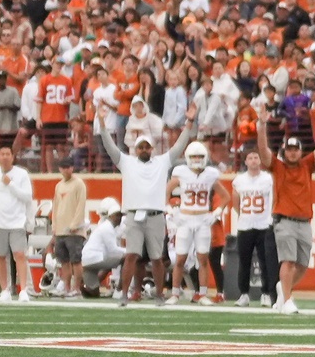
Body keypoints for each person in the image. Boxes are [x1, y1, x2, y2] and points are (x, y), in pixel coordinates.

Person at [98, 102, 198, 303]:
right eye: (141, 147)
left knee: (157, 258)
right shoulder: (126, 162)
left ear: (152, 148)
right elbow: (109, 146)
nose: (144, 149)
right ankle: (124, 294)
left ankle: (160, 294)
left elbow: (179, 146)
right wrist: (101, 123)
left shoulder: (162, 162)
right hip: (134, 215)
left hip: (155, 215)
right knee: (131, 256)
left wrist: (189, 122)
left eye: (147, 146)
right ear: (135, 149)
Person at [256, 105, 315, 312]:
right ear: (285, 152)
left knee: (302, 264)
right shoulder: (278, 166)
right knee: (288, 260)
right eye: (289, 150)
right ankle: (287, 299)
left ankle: (284, 290)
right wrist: (262, 125)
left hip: (304, 221)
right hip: (284, 220)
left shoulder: (307, 165)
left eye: (295, 150)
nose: (292, 153)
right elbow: (263, 151)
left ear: (300, 151)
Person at [164, 141, 230, 305]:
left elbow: (226, 196)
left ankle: (202, 294)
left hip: (202, 220)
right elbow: (165, 191)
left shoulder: (210, 174)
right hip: (185, 219)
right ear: (187, 157)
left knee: (203, 259)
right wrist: (171, 210)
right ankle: (175, 294)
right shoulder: (181, 173)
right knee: (180, 259)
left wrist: (216, 213)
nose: (197, 159)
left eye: (200, 156)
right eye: (193, 156)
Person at [0, 146, 35, 301]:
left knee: (20, 255)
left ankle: (23, 290)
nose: (5, 157)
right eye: (2, 154)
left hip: (17, 222)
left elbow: (27, 196)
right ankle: (5, 290)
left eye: (7, 154)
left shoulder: (21, 174)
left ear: (12, 156)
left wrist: (11, 184)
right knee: (0, 257)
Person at [230, 149, 279, 310]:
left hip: (264, 224)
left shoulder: (268, 179)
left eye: (255, 157)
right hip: (245, 225)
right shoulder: (239, 180)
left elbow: (273, 200)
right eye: (250, 157)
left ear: (260, 160)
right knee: (244, 262)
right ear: (245, 161)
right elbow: (235, 202)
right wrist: (244, 215)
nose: (253, 160)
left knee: (266, 261)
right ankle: (244, 293)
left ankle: (266, 293)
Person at [51, 157, 87, 298]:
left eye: (69, 167)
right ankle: (66, 288)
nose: (66, 170)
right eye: (63, 167)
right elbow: (55, 207)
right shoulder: (59, 186)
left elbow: (81, 205)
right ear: (60, 169)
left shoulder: (79, 184)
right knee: (64, 261)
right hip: (60, 230)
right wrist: (55, 226)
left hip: (74, 231)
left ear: (72, 168)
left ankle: (76, 288)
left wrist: (74, 224)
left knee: (76, 261)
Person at [81, 198, 126, 297]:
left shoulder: (104, 226)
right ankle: (120, 290)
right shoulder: (107, 228)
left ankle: (87, 287)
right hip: (96, 258)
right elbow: (113, 250)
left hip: (87, 260)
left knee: (94, 294)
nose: (120, 218)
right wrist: (129, 251)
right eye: (118, 216)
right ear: (112, 216)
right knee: (127, 258)